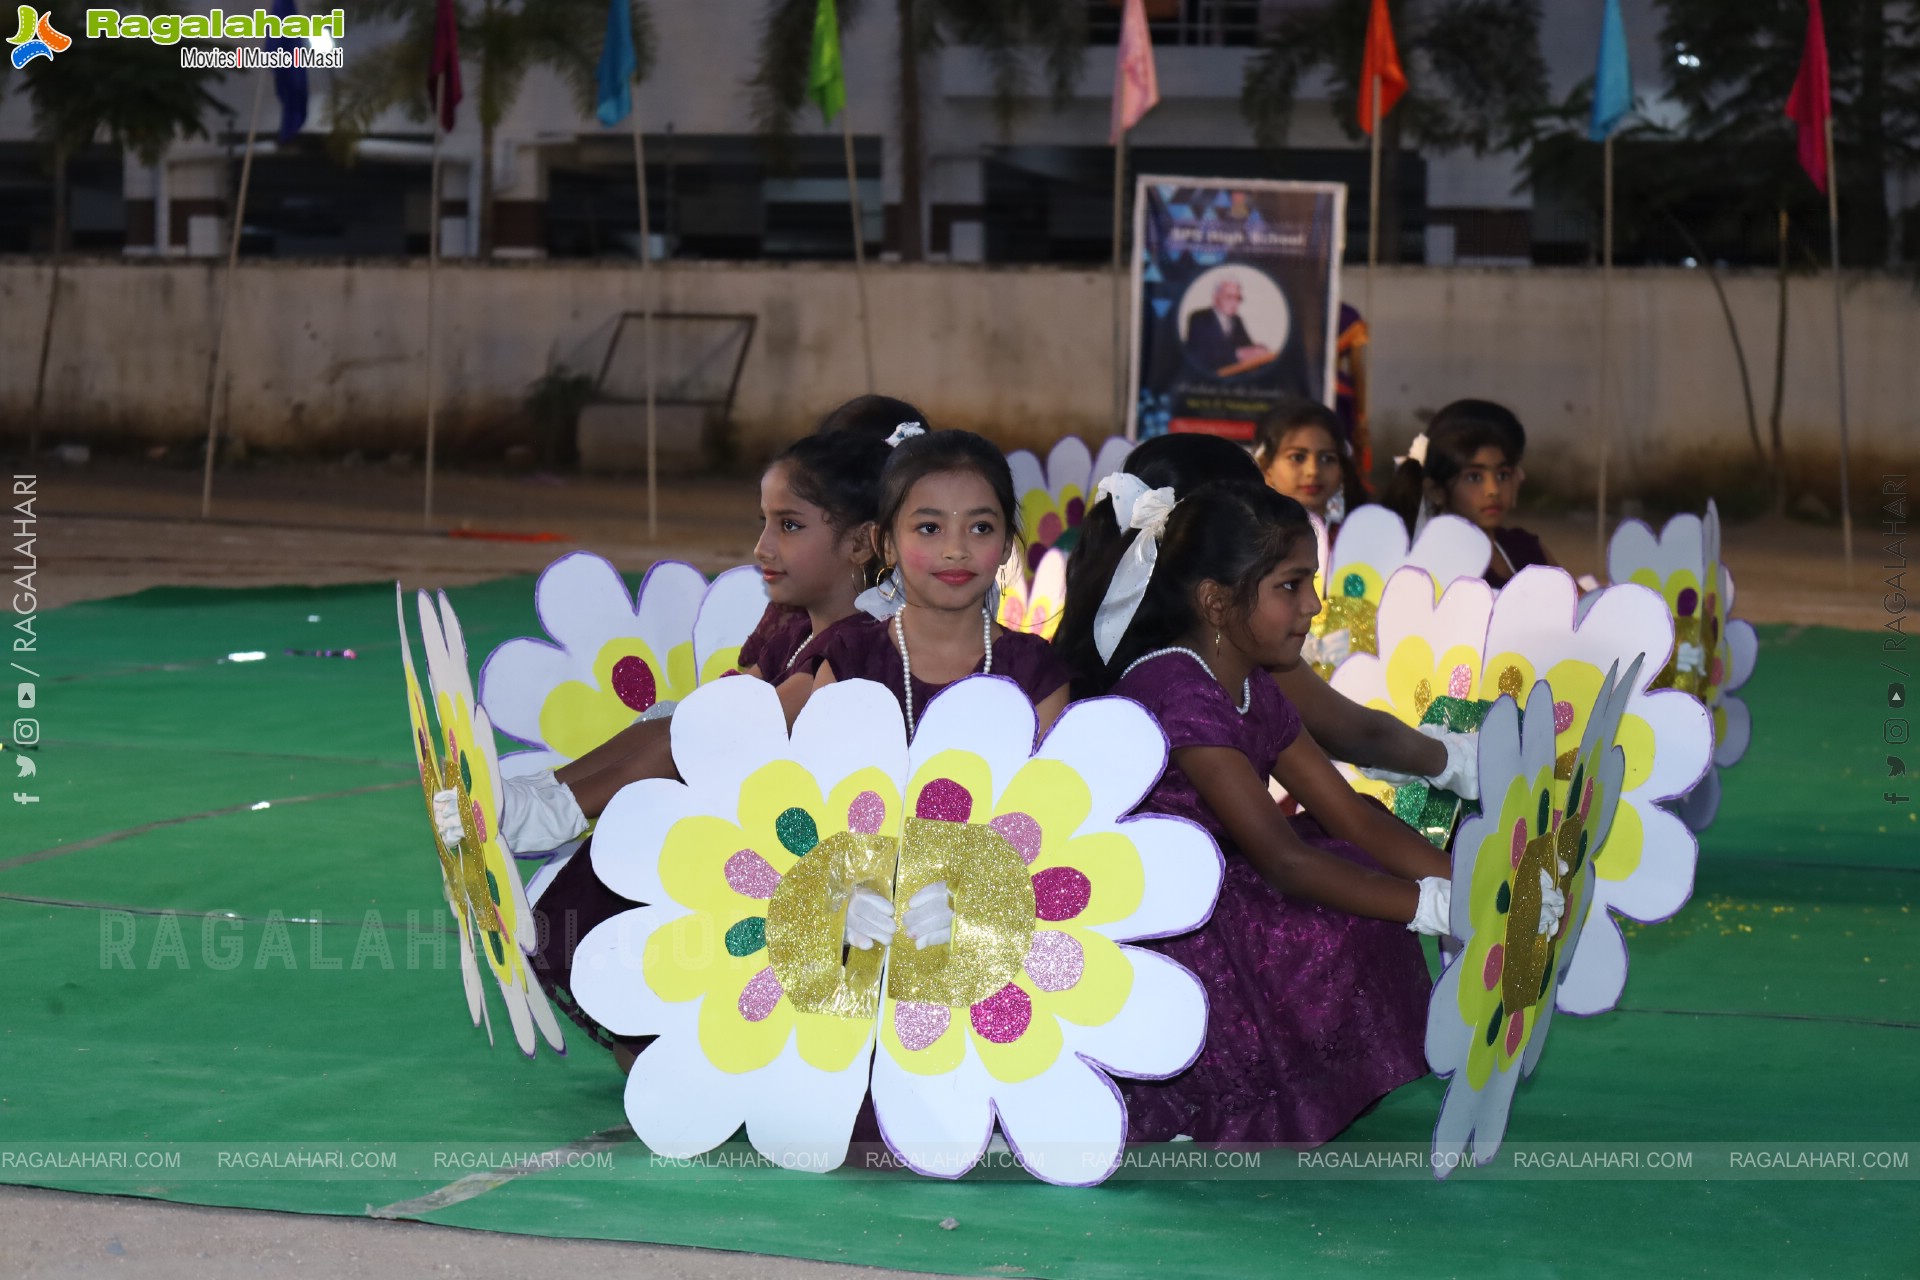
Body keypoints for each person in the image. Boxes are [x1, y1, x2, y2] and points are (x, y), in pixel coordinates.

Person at [1078, 479, 1563, 1144]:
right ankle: (1211, 1096)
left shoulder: (1250, 681)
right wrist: (1434, 906)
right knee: (1340, 914)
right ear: (1217, 601)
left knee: (1362, 858)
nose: (1313, 605)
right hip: (1164, 924)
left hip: (1227, 886)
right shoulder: (1177, 689)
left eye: (1311, 583)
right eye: (1290, 586)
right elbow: (1282, 860)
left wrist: (1485, 890)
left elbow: (1352, 818)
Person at [479, 408, 908, 1064]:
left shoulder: (864, 638)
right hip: (769, 819)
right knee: (662, 738)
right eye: (764, 522)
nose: (764, 546)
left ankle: (550, 813)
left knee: (673, 758)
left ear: (862, 543)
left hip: (810, 850)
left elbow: (750, 728)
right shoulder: (807, 626)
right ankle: (538, 799)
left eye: (789, 526)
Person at [1054, 433, 1478, 796]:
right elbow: (1354, 733)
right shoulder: (1221, 648)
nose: (1311, 604)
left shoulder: (1114, 618)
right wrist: (1464, 760)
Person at [810, 428, 1078, 959]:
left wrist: (979, 898)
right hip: (861, 930)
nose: (955, 549)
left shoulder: (1035, 671)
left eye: (980, 526)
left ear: (1005, 544)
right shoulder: (847, 658)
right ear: (885, 542)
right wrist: (836, 892)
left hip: (990, 941)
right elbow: (815, 801)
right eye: (929, 527)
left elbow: (1049, 822)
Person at [1382, 399, 1555, 588]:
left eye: (1503, 475)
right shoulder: (1434, 568)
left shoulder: (1526, 548)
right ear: (1436, 491)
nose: (1493, 490)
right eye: (1474, 477)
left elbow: (1585, 609)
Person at [1251, 395, 1367, 535]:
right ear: (1266, 468)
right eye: (1297, 457)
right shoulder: (1245, 542)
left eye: (1327, 458)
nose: (1313, 471)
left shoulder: (1360, 539)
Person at [1184, 278, 1271, 374]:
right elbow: (1200, 355)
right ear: (1215, 298)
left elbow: (1247, 345)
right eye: (1229, 297)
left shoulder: (1237, 320)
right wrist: (1237, 354)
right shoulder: (1199, 317)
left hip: (1233, 376)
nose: (1235, 303)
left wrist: (1258, 349)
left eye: (1237, 298)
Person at [1334, 302, 1372, 485]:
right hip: (1341, 399)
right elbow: (1357, 371)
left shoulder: (1303, 308)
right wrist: (1361, 418)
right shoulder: (1348, 315)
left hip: (1303, 389)